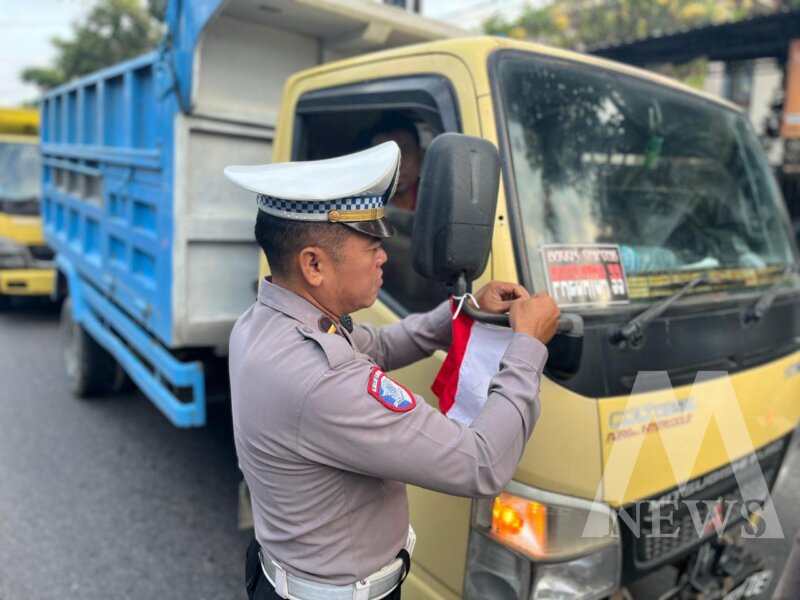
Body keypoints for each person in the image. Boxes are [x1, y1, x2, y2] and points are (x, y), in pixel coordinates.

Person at [224, 140, 560, 600]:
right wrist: (528, 346)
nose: (384, 255)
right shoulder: (323, 379)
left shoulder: (265, 320)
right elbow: (480, 464)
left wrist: (463, 311)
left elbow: (379, 345)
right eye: (372, 244)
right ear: (314, 264)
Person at [370, 113, 422, 211]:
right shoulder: (363, 206)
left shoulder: (435, 198)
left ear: (419, 155)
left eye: (405, 152)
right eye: (385, 155)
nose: (396, 165)